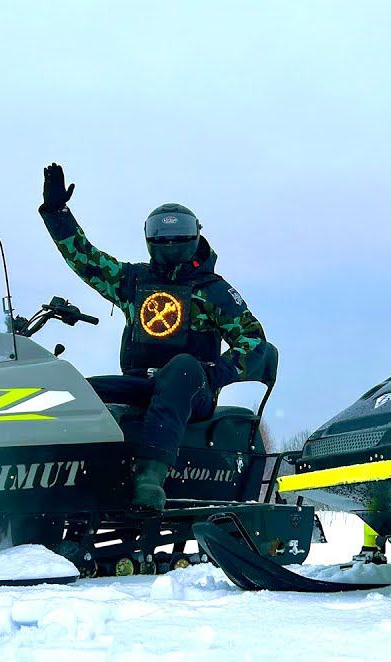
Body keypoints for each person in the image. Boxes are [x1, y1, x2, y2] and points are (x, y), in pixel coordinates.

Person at [38, 163, 270, 514]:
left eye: (179, 234)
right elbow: (87, 260)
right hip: (140, 384)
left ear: (196, 236)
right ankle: (61, 476)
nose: (171, 241)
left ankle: (151, 476)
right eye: (162, 234)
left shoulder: (214, 291)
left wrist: (216, 373)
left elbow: (253, 342)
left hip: (192, 389)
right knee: (77, 388)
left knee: (182, 366)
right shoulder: (131, 281)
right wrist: (57, 214)